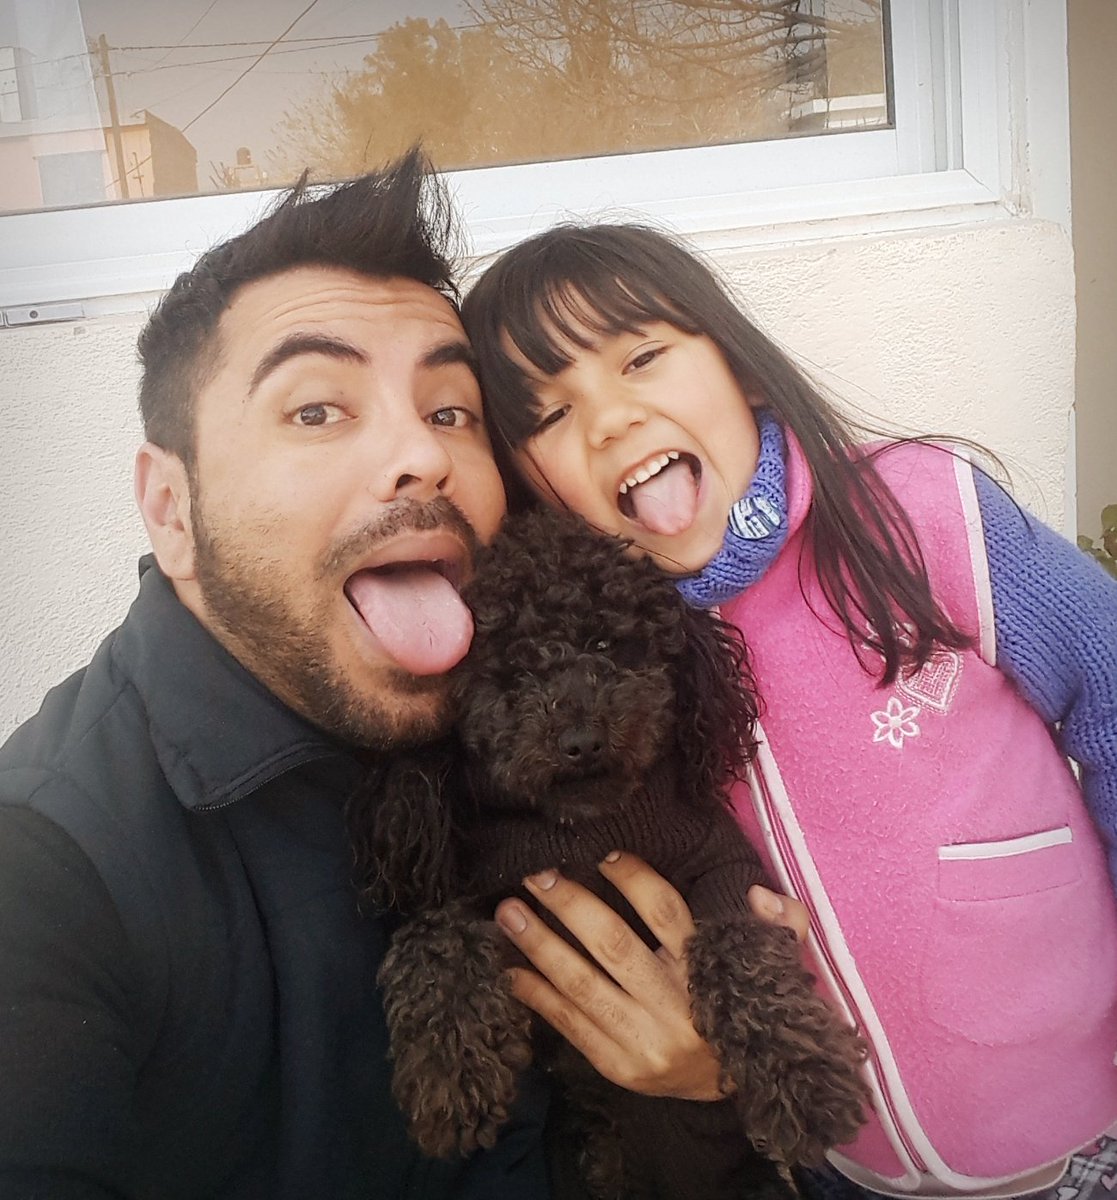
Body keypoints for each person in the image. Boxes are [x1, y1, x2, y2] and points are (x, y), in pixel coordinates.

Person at [0, 154, 755, 1200]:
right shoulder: (51, 871)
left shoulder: (554, 708)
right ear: (172, 508)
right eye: (317, 409)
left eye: (450, 412)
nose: (422, 456)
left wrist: (707, 1087)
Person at [460, 220, 1117, 1199]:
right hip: (844, 1161)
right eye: (551, 414)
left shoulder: (914, 512)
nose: (609, 419)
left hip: (1077, 1115)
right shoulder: (617, 652)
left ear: (740, 368)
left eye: (641, 357)